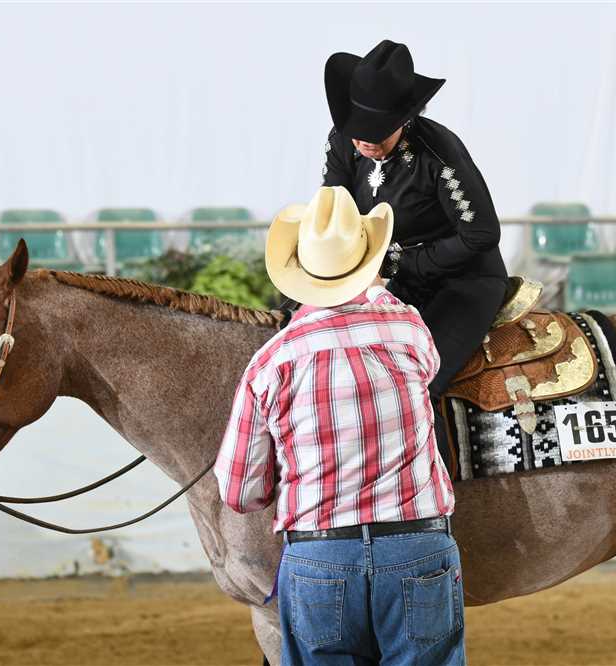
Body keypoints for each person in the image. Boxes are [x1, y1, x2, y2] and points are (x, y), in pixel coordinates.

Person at [215, 186, 465, 665]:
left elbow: (239, 492)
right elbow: (428, 368)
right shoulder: (409, 330)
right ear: (368, 261)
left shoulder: (269, 363)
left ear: (300, 272)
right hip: (416, 545)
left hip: (320, 556)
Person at [320, 39, 510, 470]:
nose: (364, 140)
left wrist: (400, 264)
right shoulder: (344, 141)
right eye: (357, 128)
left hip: (463, 282)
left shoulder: (440, 153)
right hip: (386, 280)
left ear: (404, 119)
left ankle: (432, 495)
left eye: (377, 130)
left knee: (418, 383)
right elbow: (332, 211)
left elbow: (481, 233)